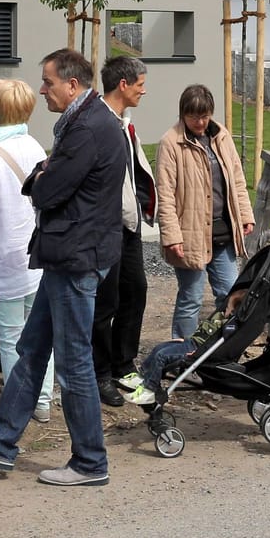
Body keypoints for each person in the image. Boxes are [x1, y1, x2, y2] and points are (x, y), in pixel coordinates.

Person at [0, 49, 129, 487]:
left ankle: (89, 462)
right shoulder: (89, 121)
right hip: (69, 255)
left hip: (75, 258)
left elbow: (47, 191)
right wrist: (44, 175)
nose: (42, 88)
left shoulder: (85, 127)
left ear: (72, 84)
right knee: (32, 350)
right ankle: (0, 444)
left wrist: (43, 178)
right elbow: (47, 178)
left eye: (48, 81)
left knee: (73, 364)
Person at [0, 79, 56, 424]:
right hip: (35, 253)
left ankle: (18, 404)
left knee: (10, 337)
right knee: (41, 334)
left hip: (2, 256)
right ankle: (43, 399)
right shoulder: (35, 146)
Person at [154, 84, 254, 341]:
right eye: (193, 116)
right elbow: (164, 194)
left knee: (230, 294)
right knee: (191, 298)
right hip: (190, 236)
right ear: (182, 114)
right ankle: (181, 356)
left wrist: (244, 215)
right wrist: (172, 235)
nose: (199, 122)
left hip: (223, 233)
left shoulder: (222, 136)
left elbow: (237, 180)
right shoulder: (170, 143)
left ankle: (221, 352)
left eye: (204, 115)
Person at [91, 55, 155, 408]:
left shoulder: (125, 123)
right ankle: (99, 371)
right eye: (141, 84)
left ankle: (123, 362)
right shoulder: (101, 123)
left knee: (136, 290)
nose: (144, 91)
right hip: (106, 227)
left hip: (128, 226)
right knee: (106, 301)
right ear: (124, 85)